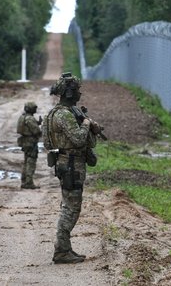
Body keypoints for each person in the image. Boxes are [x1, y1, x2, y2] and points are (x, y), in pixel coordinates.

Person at [42, 73, 100, 264]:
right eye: (77, 90)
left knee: (69, 205)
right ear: (69, 92)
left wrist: (91, 127)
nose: (80, 93)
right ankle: (62, 250)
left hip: (67, 163)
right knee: (71, 208)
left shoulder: (57, 113)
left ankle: (64, 249)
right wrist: (86, 124)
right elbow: (77, 139)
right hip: (71, 165)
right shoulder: (64, 114)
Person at [16, 101, 42, 189]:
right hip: (30, 142)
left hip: (24, 141)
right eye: (34, 108)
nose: (35, 110)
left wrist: (37, 123)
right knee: (31, 162)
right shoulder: (30, 118)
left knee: (26, 161)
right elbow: (36, 131)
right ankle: (29, 182)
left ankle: (24, 180)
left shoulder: (23, 117)